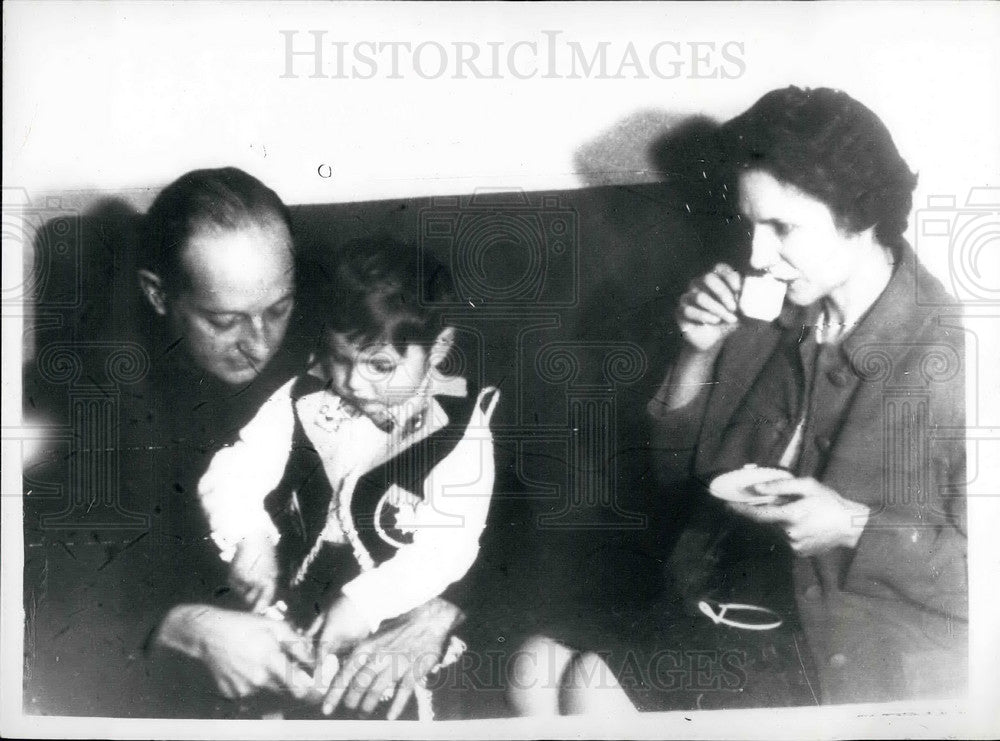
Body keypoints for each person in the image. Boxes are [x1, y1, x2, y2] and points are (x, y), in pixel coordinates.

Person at [509, 86, 966, 712]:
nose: (758, 256)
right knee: (534, 667)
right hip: (733, 599)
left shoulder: (956, 355)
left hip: (854, 640)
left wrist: (853, 526)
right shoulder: (776, 308)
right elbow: (678, 478)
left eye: (782, 228)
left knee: (592, 686)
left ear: (861, 216)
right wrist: (699, 350)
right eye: (752, 226)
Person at [105, 168, 466, 718]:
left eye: (277, 310)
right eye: (224, 321)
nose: (258, 345)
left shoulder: (340, 337)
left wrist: (439, 612)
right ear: (158, 295)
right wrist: (183, 629)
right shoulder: (98, 403)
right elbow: (54, 602)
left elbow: (497, 494)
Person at [194, 235, 500, 716]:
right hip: (297, 592)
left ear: (437, 349)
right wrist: (249, 537)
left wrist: (364, 604)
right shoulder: (304, 395)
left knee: (389, 705)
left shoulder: (458, 423)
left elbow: (449, 546)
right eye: (340, 358)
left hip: (398, 602)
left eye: (381, 365)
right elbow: (236, 468)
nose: (354, 383)